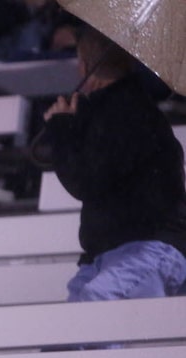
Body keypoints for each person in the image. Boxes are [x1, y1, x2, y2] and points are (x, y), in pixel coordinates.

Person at [42, 26, 186, 304]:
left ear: (83, 66)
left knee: (95, 313)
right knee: (64, 340)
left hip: (148, 251)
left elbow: (83, 180)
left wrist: (61, 129)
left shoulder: (126, 112)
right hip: (110, 255)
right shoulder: (120, 108)